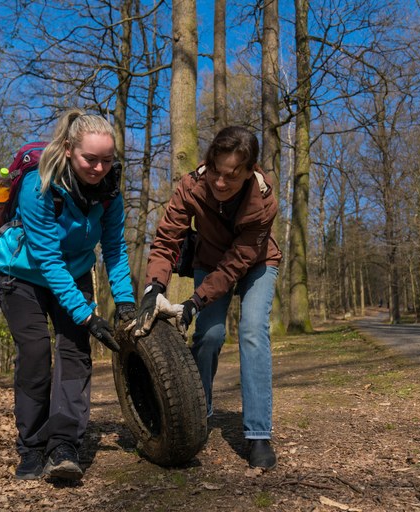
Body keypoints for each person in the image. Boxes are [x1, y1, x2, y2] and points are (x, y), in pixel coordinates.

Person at [0, 108, 136, 481]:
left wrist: (125, 303)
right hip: (21, 275)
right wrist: (87, 315)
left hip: (73, 273)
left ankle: (63, 445)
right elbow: (47, 259)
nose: (99, 168)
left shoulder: (110, 194)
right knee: (36, 353)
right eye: (91, 158)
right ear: (70, 149)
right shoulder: (39, 185)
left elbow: (115, 249)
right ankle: (32, 446)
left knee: (75, 355)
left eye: (107, 159)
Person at [133, 125, 282, 470]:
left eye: (231, 176)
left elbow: (237, 262)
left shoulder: (264, 201)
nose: (219, 182)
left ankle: (258, 433)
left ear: (249, 172)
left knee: (252, 332)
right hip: (209, 259)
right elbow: (167, 238)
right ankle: (197, 413)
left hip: (257, 263)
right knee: (210, 335)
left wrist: (196, 301)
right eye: (215, 170)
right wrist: (154, 287)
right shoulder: (191, 186)